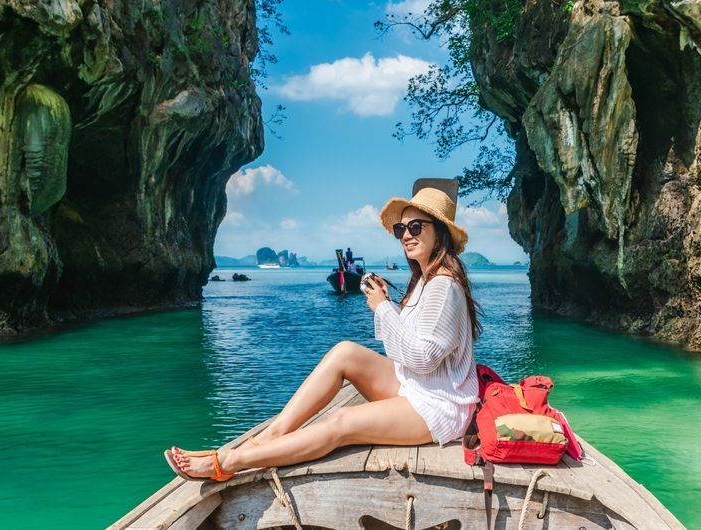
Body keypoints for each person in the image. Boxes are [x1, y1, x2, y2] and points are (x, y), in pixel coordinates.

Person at [165, 187, 482, 480]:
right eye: (401, 229)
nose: (406, 236)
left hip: (439, 407)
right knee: (345, 351)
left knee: (341, 421)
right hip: (420, 387)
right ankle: (273, 436)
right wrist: (389, 307)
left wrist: (383, 307)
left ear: (439, 230)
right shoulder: (426, 279)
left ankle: (228, 462)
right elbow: (415, 340)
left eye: (416, 227)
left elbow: (422, 358)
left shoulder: (443, 284)